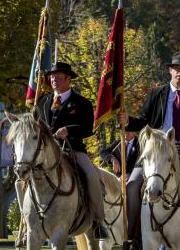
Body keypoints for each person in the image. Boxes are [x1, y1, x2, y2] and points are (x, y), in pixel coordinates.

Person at [118, 51, 180, 250]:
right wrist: (128, 121)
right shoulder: (157, 93)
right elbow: (143, 120)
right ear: (169, 70)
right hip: (157, 151)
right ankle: (133, 235)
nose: (179, 72)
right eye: (175, 68)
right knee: (132, 185)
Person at [33, 62, 108, 239]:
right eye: (52, 77)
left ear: (69, 79)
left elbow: (89, 128)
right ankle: (27, 223)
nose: (53, 80)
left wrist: (69, 130)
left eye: (58, 77)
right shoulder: (42, 102)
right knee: (22, 178)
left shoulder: (82, 103)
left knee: (91, 175)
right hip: (45, 153)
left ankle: (98, 221)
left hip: (72, 150)